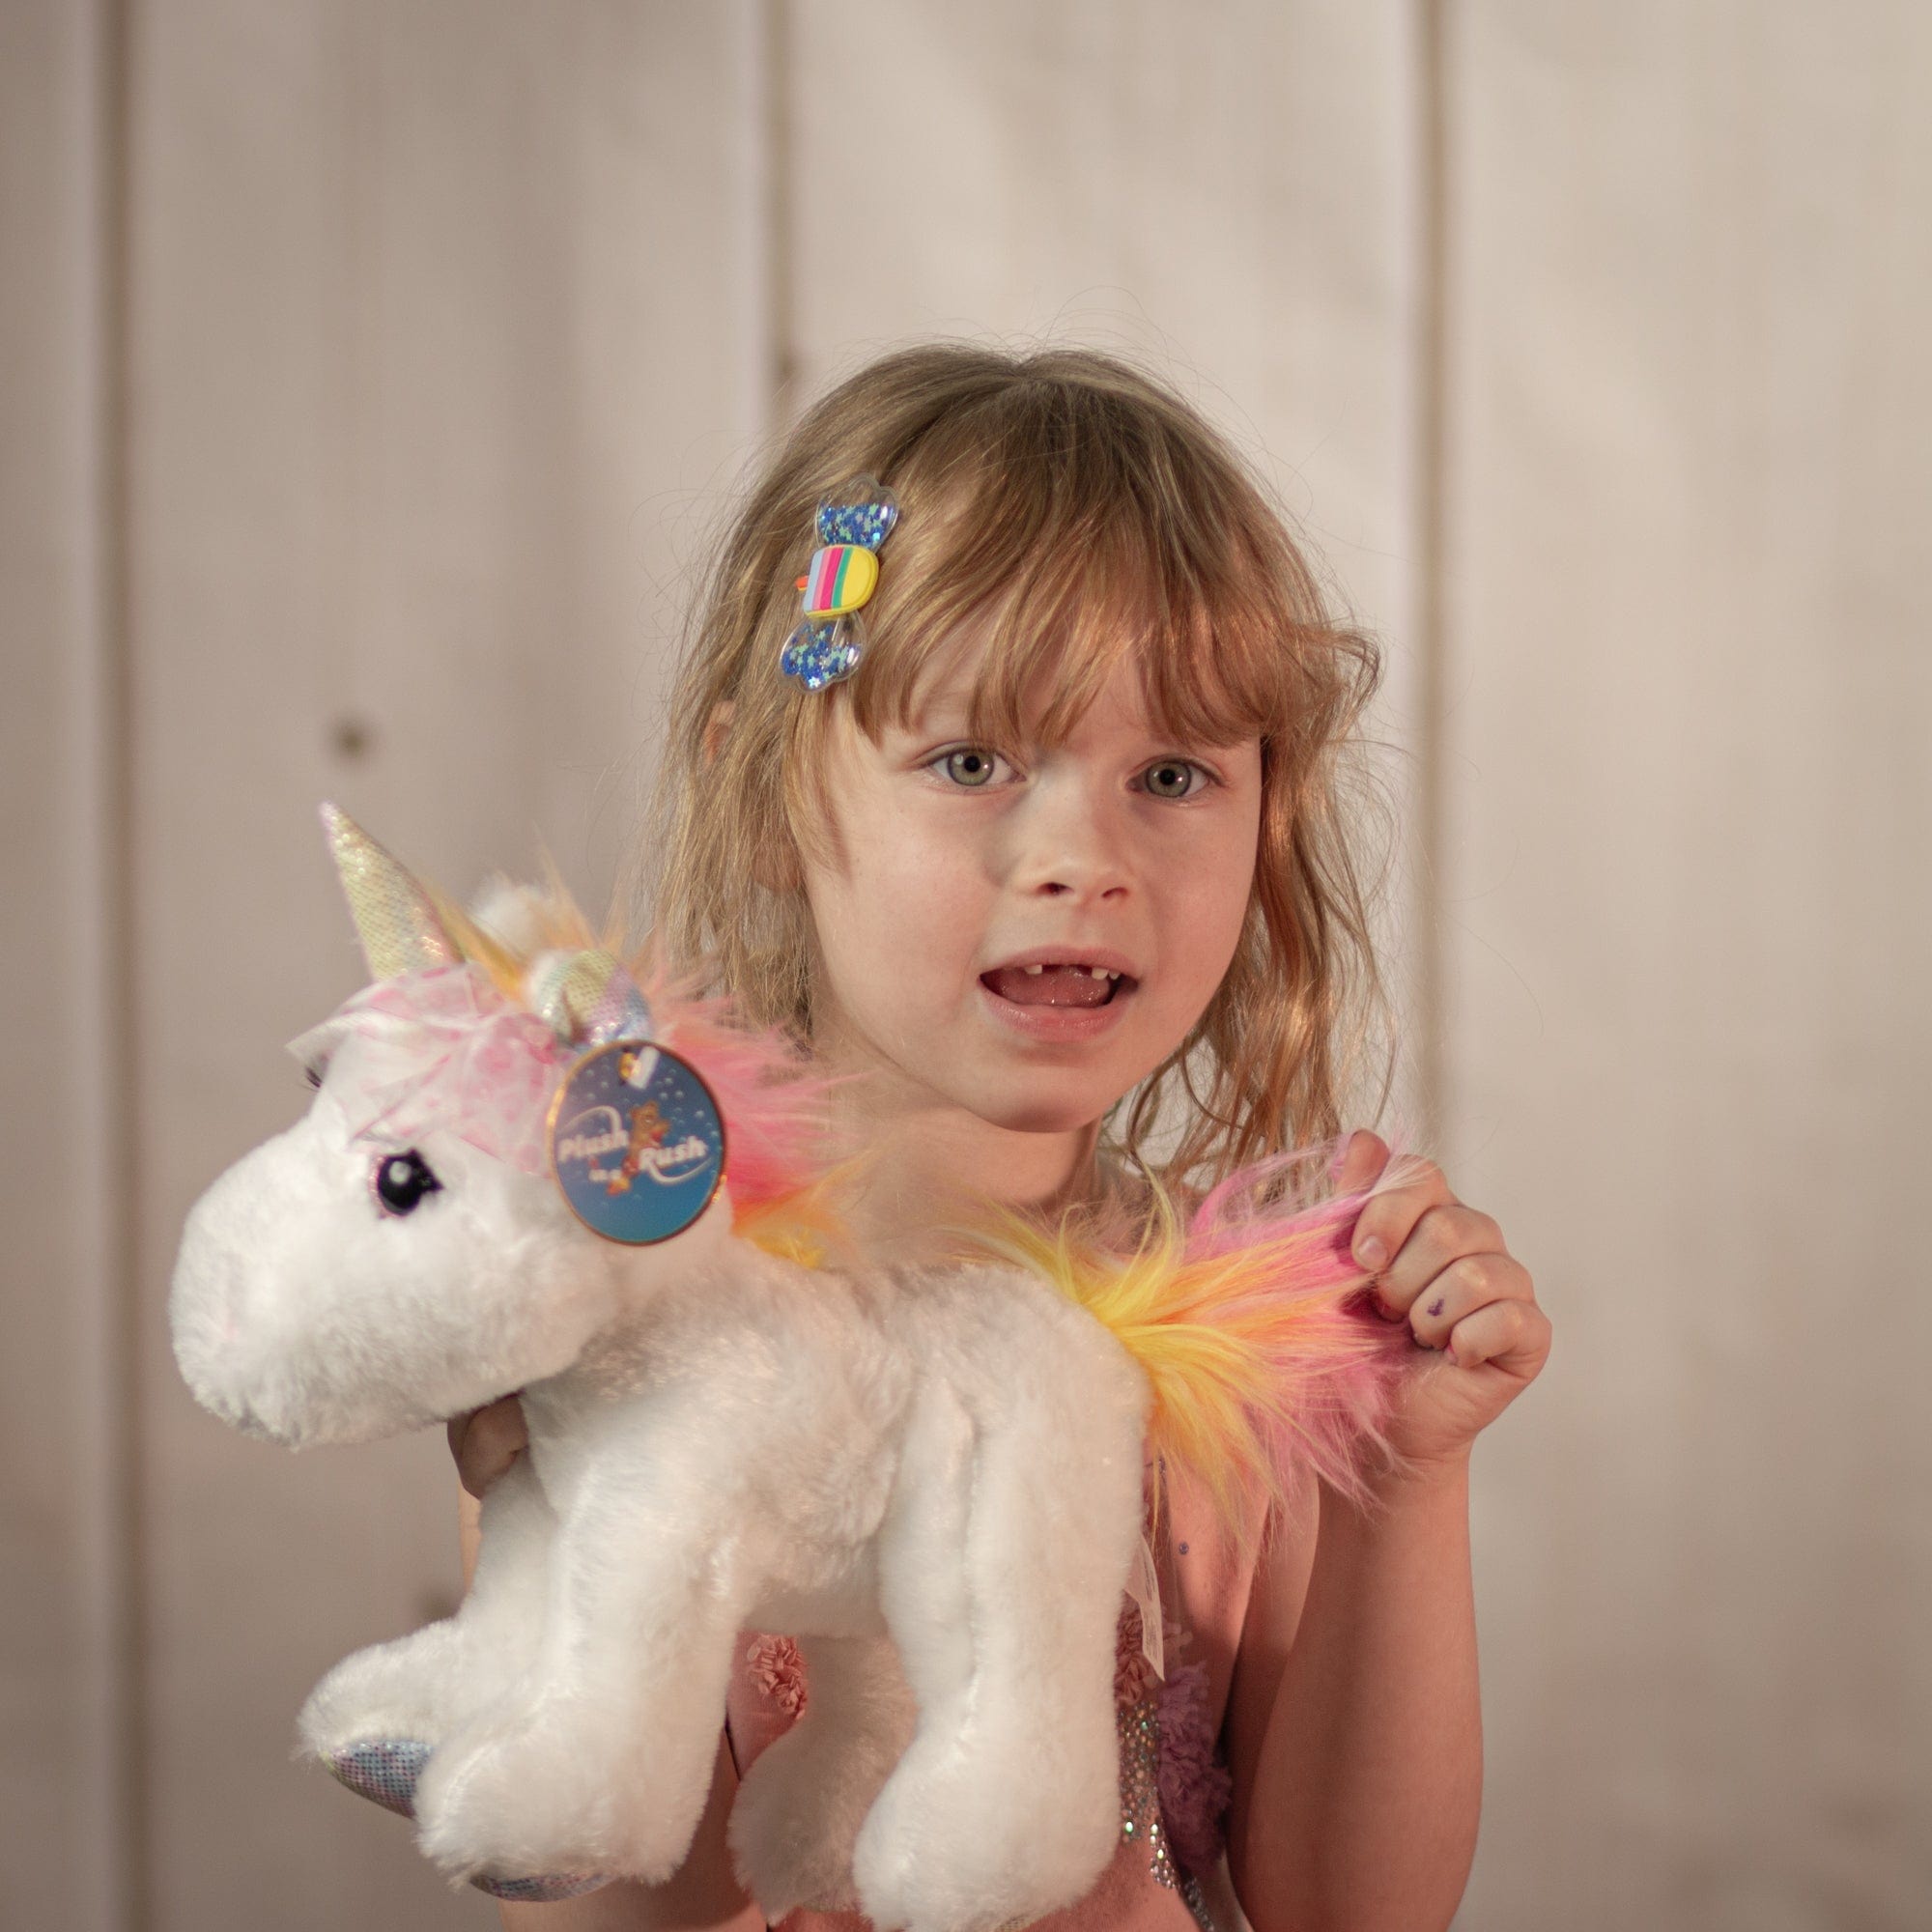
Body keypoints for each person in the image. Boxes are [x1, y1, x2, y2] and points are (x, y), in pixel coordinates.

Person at [447, 344, 1551, 1932]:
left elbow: (1355, 1913)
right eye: (972, 761)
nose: (1080, 857)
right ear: (765, 802)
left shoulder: (1251, 1342)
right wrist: (561, 1502)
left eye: (1171, 774)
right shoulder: (639, 1320)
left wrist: (1409, 1471)